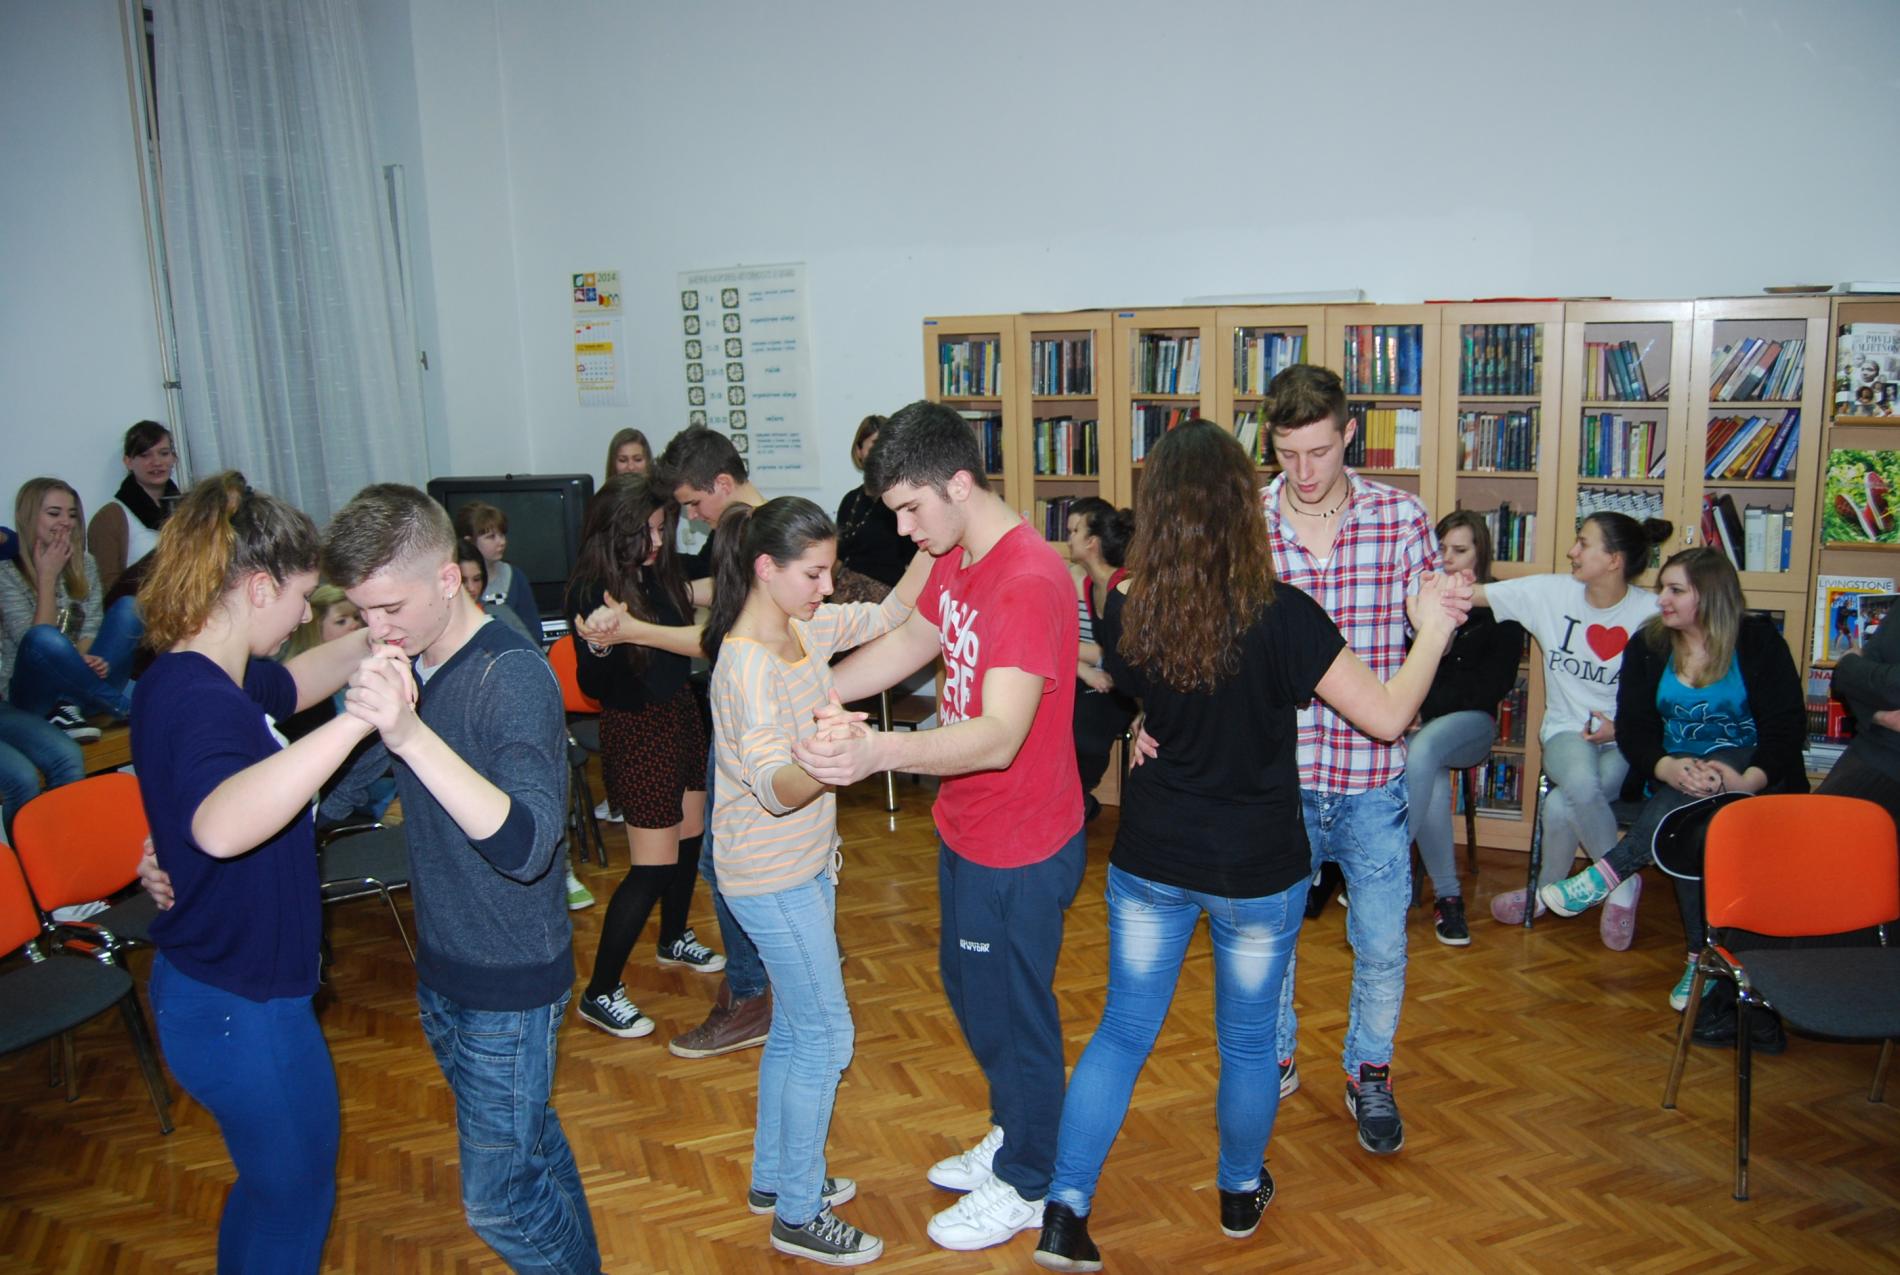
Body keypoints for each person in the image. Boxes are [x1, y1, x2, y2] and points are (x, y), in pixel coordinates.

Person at [1034, 420, 1469, 1269]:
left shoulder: (1125, 601)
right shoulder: (1284, 614)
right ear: (1243, 505)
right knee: (1245, 1042)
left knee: (1121, 1032)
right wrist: (1433, 630)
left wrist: (1149, 724)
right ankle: (1238, 1192)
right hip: (1254, 869)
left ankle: (1064, 1212)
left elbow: (1141, 690)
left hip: (1152, 856)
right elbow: (1388, 717)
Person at [790, 399, 1086, 1253]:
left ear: (959, 483)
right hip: (968, 824)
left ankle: (1031, 1179)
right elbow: (916, 641)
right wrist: (815, 691)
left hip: (1022, 840)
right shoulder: (956, 552)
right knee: (970, 990)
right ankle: (1016, 1127)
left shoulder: (1026, 578)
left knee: (1015, 1011)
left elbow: (998, 737)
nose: (905, 530)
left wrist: (879, 750)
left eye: (911, 508)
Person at [323, 483, 598, 1273]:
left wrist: (409, 734)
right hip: (445, 964)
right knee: (531, 1146)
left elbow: (529, 846)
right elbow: (335, 793)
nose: (377, 628)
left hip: (509, 979)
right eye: (362, 612)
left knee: (500, 1200)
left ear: (448, 578)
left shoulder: (509, 673)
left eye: (389, 607)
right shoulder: (415, 658)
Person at [132, 472, 379, 1272]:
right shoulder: (203, 700)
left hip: (215, 986)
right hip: (242, 1007)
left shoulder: (203, 673)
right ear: (260, 586)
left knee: (272, 1193)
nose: (306, 616)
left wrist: (381, 634)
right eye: (302, 597)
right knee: (295, 1201)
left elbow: (300, 680)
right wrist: (358, 724)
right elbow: (219, 823)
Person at [703, 497, 927, 1265]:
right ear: (766, 568)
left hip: (802, 865)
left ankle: (777, 1178)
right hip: (770, 877)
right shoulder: (745, 667)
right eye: (814, 573)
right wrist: (832, 757)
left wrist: (933, 543)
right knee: (828, 1035)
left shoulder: (804, 626)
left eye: (830, 571)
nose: (827, 587)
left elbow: (890, 612)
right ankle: (798, 1214)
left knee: (798, 1028)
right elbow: (773, 788)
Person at [1257, 364, 1438, 1157]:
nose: (1303, 471)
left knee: (1383, 943)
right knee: (1270, 939)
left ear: (1349, 434)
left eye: (1320, 451)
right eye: (1287, 453)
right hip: (1278, 776)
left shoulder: (1401, 517)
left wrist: (1436, 625)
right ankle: (1277, 1055)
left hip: (1372, 777)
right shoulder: (1248, 524)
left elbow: (1430, 633)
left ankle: (1369, 1071)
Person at [1536, 549, 1807, 1007]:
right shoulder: (1649, 644)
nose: (1661, 598)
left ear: (1710, 595)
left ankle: (1609, 874)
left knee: (1695, 802)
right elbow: (1635, 728)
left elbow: (1785, 727)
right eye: (1662, 587)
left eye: (1675, 590)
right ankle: (1700, 960)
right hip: (1675, 778)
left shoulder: (1757, 641)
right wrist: (1667, 767)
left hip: (1756, 778)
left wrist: (1746, 781)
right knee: (1690, 814)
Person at [567, 475, 724, 1044]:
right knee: (652, 866)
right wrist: (602, 644)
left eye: (662, 529)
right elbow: (593, 682)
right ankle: (599, 990)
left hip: (679, 714)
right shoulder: (591, 589)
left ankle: (674, 937)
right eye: (648, 531)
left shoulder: (655, 574)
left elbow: (696, 603)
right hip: (636, 729)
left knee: (690, 839)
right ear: (617, 532)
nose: (658, 541)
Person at [1471, 511, 1674, 946]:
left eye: (1583, 543)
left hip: (1626, 739)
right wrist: (1432, 585)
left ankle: (1545, 892)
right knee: (1580, 784)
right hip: (1566, 730)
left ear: (1614, 560)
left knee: (1562, 802)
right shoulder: (1551, 593)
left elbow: (1676, 690)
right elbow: (1479, 594)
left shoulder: (1651, 613)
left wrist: (1621, 728)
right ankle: (1621, 883)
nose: (1571, 552)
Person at [1404, 511, 1525, 946]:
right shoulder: (1419, 603)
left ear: (1480, 554)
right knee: (1430, 770)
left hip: (1473, 725)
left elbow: (1490, 688)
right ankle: (1449, 899)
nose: (1447, 559)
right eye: (1441, 549)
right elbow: (1401, 667)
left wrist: (1421, 707)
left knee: (1424, 748)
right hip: (1421, 731)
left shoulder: (1502, 610)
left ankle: (1384, 867)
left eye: (1460, 550)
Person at [0, 477, 142, 737]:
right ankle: (119, 705)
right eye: (54, 513)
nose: (66, 521)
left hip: (85, 686)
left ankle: (82, 706)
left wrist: (82, 660)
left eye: (72, 514)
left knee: (129, 608)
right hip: (35, 697)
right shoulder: (5, 572)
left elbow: (90, 629)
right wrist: (47, 577)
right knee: (44, 637)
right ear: (29, 517)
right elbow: (33, 648)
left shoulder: (85, 563)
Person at [1064, 496, 1137, 822]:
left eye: (1074, 531)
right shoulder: (1091, 584)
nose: (1068, 539)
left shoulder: (1125, 586)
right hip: (1108, 679)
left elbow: (1137, 656)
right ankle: (1068, 801)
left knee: (1084, 732)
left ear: (1092, 543)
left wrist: (1145, 708)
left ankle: (1075, 800)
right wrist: (1085, 670)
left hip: (1130, 688)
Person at [89, 419, 182, 598]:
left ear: (174, 458)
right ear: (128, 462)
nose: (156, 462)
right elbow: (109, 591)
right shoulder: (110, 516)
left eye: (164, 453)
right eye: (145, 455)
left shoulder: (188, 510)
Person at [831, 414, 916, 605]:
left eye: (886, 445)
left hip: (888, 599)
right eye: (875, 445)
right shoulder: (851, 500)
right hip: (844, 598)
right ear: (859, 451)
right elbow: (838, 557)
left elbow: (913, 562)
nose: (881, 452)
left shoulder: (904, 501)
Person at [451, 500, 539, 636]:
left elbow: (533, 631)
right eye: (491, 537)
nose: (502, 542)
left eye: (502, 535)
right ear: (469, 541)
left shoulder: (515, 577)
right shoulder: (450, 579)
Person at [455, 537, 538, 645]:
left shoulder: (501, 614)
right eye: (463, 581)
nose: (471, 588)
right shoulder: (438, 622)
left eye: (477, 579)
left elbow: (533, 652)